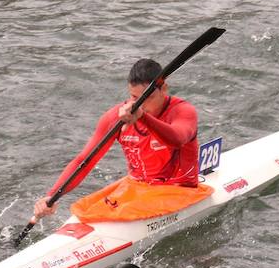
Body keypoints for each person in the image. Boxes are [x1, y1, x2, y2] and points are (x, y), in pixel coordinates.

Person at [29, 57, 200, 225]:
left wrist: (142, 117)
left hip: (177, 190)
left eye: (147, 98)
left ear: (164, 89)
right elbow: (85, 161)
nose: (140, 105)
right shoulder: (115, 117)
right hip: (137, 187)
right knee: (85, 209)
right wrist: (51, 195)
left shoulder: (183, 111)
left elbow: (177, 139)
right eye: (134, 97)